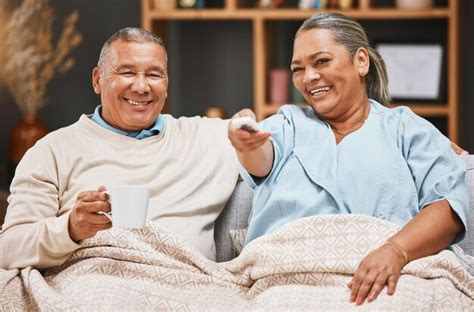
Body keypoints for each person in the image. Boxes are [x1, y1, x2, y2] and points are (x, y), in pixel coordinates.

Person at [228, 13, 469, 306]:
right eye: (298, 68)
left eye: (321, 61)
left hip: (386, 274)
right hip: (288, 275)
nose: (308, 77)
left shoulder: (406, 129)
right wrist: (247, 143)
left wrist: (396, 251)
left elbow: (448, 207)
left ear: (361, 62)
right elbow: (261, 160)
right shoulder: (287, 123)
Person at [0, 28, 239, 269]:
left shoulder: (206, 137)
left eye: (155, 75)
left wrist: (248, 119)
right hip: (90, 288)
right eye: (127, 72)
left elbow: (271, 137)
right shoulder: (52, 151)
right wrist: (70, 228)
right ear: (97, 80)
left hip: (185, 287)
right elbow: (9, 250)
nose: (142, 87)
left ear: (166, 84)